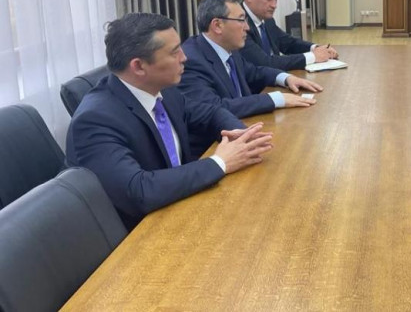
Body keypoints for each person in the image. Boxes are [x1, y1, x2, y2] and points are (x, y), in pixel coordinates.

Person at [66, 13, 274, 230]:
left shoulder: (163, 89)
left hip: (181, 206)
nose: (185, 58)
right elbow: (139, 191)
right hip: (139, 233)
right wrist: (220, 162)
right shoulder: (95, 120)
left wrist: (241, 137)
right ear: (138, 66)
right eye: (175, 52)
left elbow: (210, 112)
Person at [179, 0, 322, 151]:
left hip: (246, 128)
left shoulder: (228, 47)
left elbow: (253, 72)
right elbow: (216, 107)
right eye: (241, 20)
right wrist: (275, 99)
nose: (247, 27)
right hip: (215, 147)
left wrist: (286, 78)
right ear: (217, 25)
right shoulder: (191, 60)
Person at [240, 0, 338, 70]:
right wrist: (313, 57)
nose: (274, 5)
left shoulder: (267, 20)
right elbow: (265, 62)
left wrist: (316, 48)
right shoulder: (238, 24)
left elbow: (288, 43)